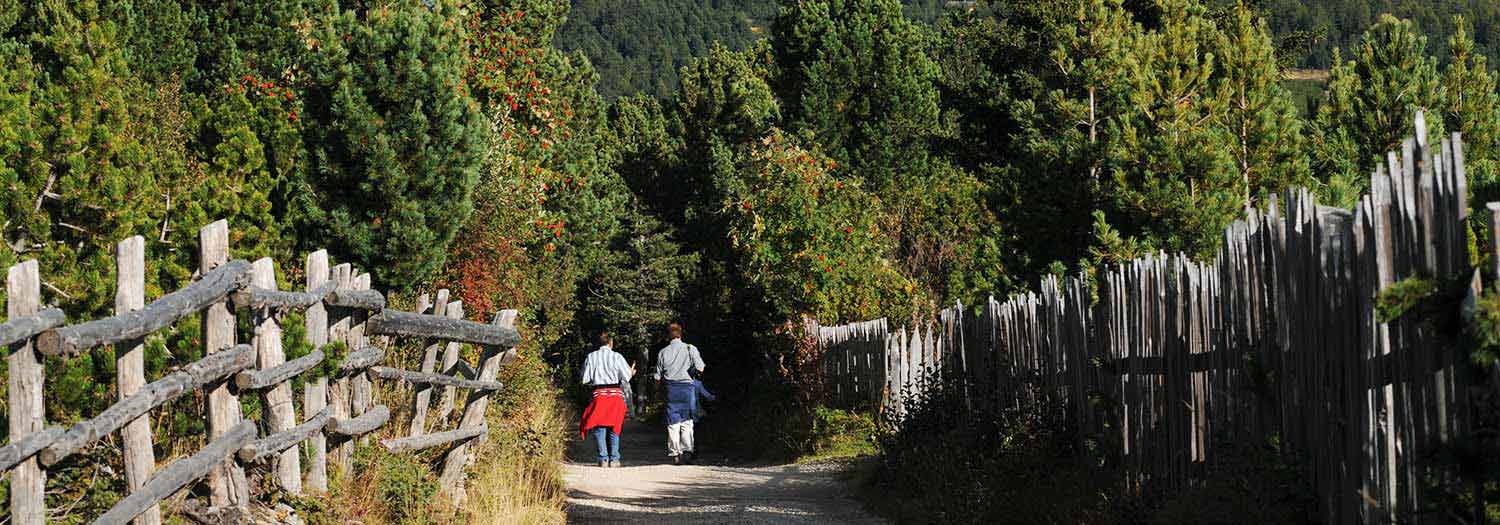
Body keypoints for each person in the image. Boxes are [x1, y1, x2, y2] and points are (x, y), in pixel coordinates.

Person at [579, 332, 634, 468]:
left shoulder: (591, 357)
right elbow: (626, 377)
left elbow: (585, 379)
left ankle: (603, 458)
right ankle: (614, 458)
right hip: (615, 395)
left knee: (599, 425)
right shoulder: (617, 356)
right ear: (611, 343)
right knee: (614, 427)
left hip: (599, 395)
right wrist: (631, 373)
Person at [654, 323, 705, 465]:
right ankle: (688, 451)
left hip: (671, 389)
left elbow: (658, 376)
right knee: (687, 421)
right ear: (681, 334)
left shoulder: (663, 352)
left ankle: (675, 453)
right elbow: (701, 368)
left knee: (673, 421)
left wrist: (657, 392)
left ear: (667, 335)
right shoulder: (690, 348)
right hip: (688, 388)